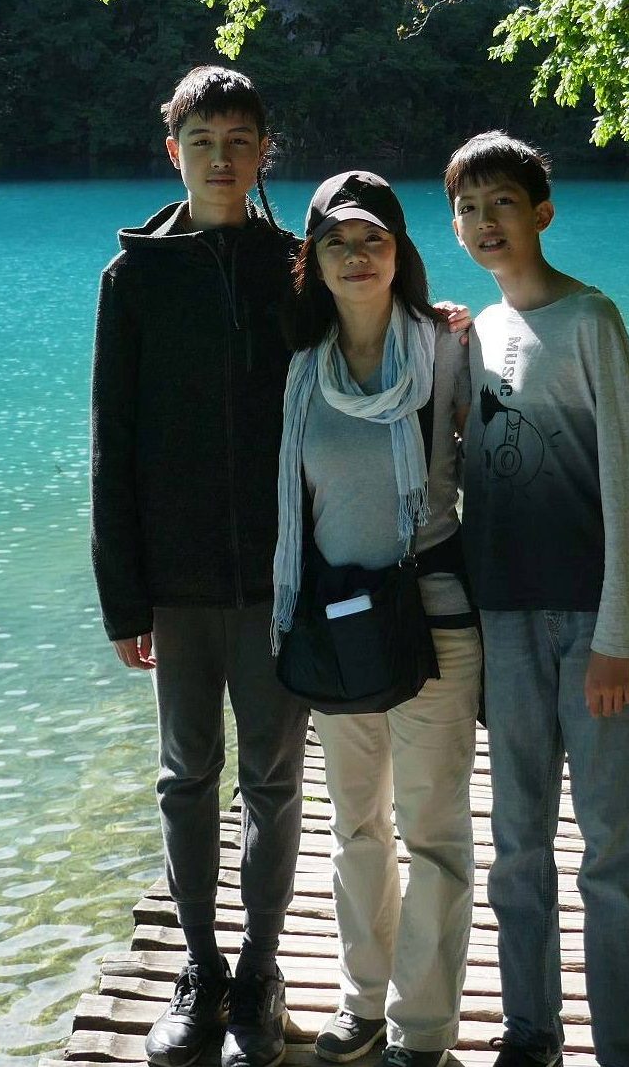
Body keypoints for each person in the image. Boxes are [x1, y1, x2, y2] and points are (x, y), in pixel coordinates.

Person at [90, 64, 305, 1067]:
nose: (221, 159)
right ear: (171, 149)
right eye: (201, 139)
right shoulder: (132, 278)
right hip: (173, 584)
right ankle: (199, 966)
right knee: (186, 780)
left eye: (239, 139)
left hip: (275, 581)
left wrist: (435, 330)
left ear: (265, 149)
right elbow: (111, 444)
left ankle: (260, 971)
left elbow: (357, 372)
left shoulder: (297, 267)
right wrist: (120, 596)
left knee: (269, 780)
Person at [445, 131, 629, 1067]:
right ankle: (529, 1029)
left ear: (541, 212)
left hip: (590, 623)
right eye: (466, 207)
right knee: (516, 841)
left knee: (612, 847)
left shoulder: (590, 322)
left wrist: (618, 632)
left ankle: (626, 1045)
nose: (484, 222)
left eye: (501, 203)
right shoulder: (479, 335)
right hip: (502, 617)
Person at [272, 171, 479, 1067]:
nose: (355, 258)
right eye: (335, 243)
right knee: (356, 826)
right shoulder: (299, 375)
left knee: (432, 830)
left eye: (373, 241)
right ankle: (361, 1002)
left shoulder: (448, 350)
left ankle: (422, 1029)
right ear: (312, 262)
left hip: (433, 617)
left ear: (400, 254)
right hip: (338, 625)